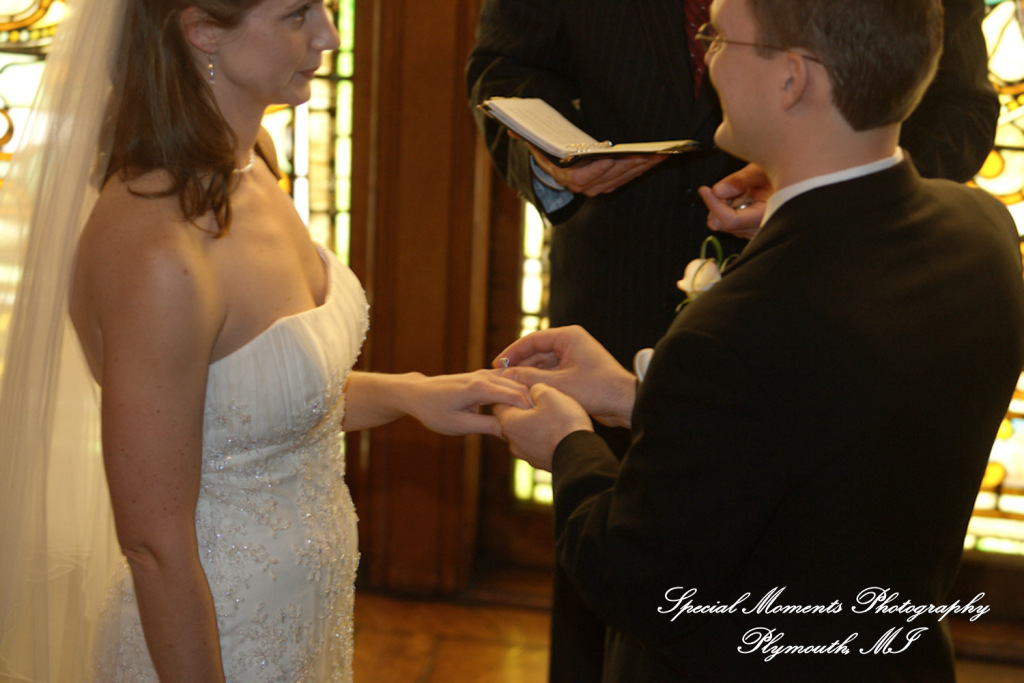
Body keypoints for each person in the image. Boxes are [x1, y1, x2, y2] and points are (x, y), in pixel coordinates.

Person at [492, 0, 1024, 679]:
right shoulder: (984, 233)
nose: (708, 59)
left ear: (792, 79)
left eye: (719, 36)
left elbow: (635, 579)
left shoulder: (732, 333)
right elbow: (828, 437)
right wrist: (636, 394)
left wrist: (569, 443)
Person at [0, 0, 530, 680]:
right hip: (212, 635)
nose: (328, 35)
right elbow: (154, 544)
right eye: (296, 15)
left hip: (305, 619)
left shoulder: (252, 163)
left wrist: (415, 394)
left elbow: (249, 405)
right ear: (202, 31)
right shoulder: (156, 250)